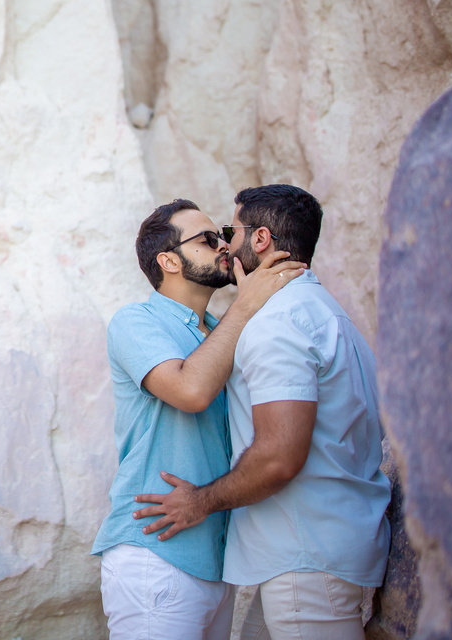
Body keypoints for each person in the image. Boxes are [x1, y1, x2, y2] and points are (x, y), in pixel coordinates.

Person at [132, 184, 392, 640]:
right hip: (316, 553)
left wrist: (199, 502)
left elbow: (278, 457)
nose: (224, 246)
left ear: (261, 239)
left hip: (307, 559)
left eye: (229, 232)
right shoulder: (331, 314)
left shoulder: (279, 323)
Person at [92, 199, 305, 639]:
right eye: (208, 240)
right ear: (168, 260)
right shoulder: (135, 321)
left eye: (224, 234)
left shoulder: (219, 329)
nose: (225, 246)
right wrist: (245, 306)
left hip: (215, 563)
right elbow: (190, 391)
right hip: (156, 554)